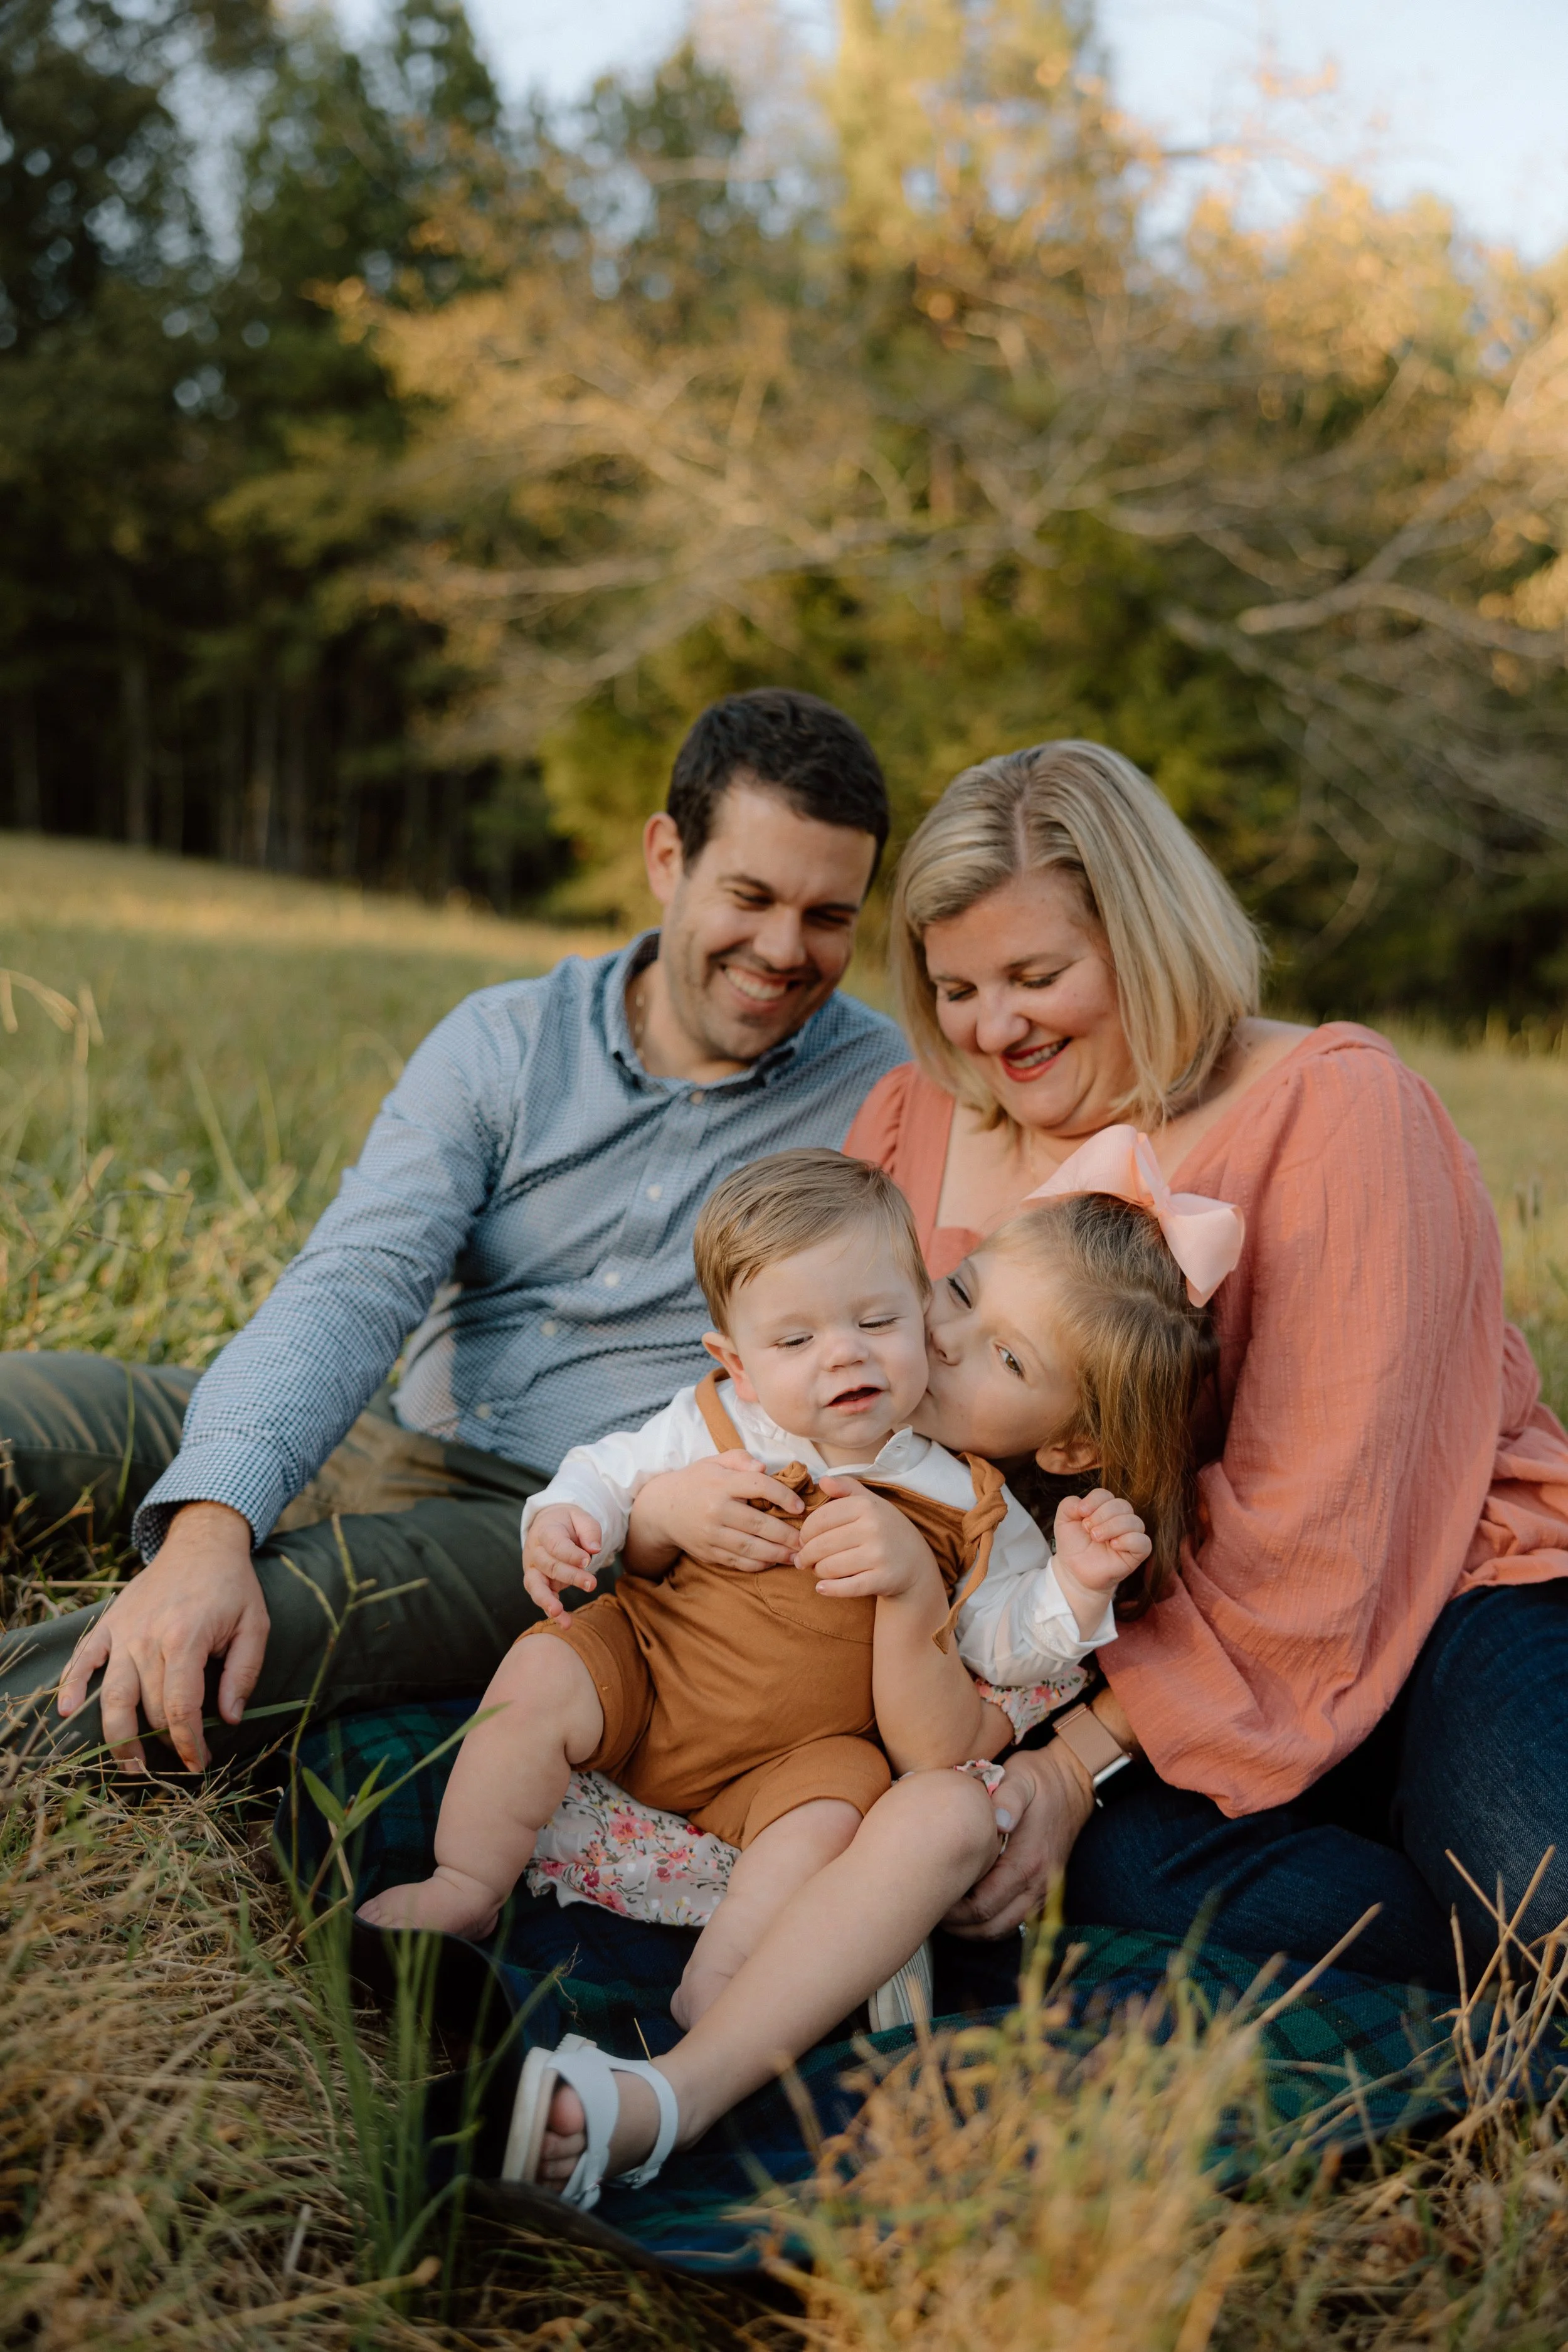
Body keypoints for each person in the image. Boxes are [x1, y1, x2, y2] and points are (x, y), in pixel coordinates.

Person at [0, 690, 909, 1774]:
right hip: (381, 1427)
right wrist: (208, 1526)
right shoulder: (506, 1040)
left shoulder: (885, 1097)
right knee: (30, 1412)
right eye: (750, 895)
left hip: (563, 1523)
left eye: (829, 916)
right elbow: (355, 1280)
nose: (781, 948)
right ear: (667, 856)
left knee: (270, 1613)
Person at [364, 1146, 1214, 2214]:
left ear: (1074, 1437)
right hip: (657, 1672)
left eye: (1003, 1357)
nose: (935, 1340)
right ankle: (467, 1883)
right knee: (543, 1665)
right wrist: (620, 1516)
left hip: (803, 1767)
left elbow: (996, 1666)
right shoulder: (736, 1411)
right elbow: (608, 1471)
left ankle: (721, 2002)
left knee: (829, 1812)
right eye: (956, 1293)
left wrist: (1072, 1587)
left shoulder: (977, 1509)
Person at [847, 737, 1568, 1986]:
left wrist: (1072, 1768)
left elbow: (1324, 1527)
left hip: (1437, 1585)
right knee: (1105, 1875)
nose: (993, 1026)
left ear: (1146, 938)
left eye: (1035, 973)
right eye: (955, 987)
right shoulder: (912, 1123)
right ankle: (1416, 1927)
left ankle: (1454, 1883)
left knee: (1535, 1891)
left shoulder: (1332, 1111)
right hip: (1087, 1641)